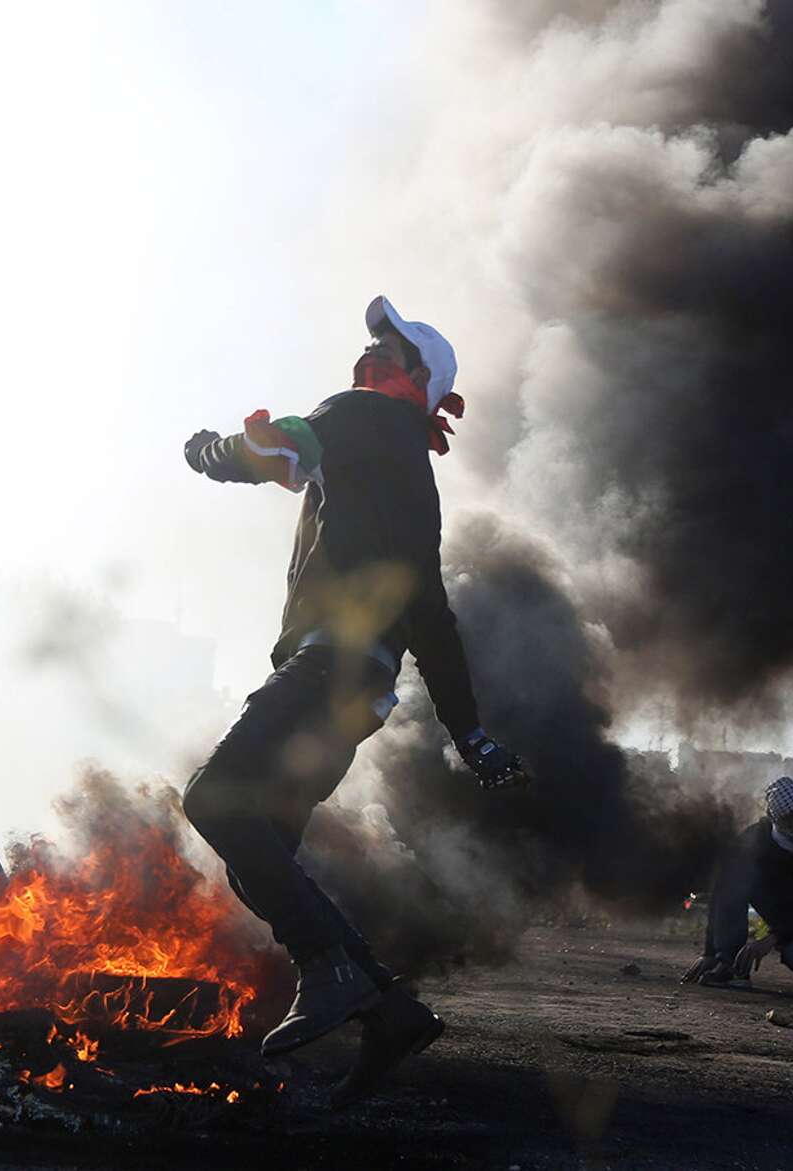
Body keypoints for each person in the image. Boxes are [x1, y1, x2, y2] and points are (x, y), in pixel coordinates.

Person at [179, 295, 529, 1105]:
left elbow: (286, 443)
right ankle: (390, 1011)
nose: (370, 354)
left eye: (391, 347)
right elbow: (434, 622)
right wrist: (472, 735)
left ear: (416, 380)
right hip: (365, 691)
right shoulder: (412, 477)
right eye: (372, 343)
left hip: (329, 664)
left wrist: (212, 453)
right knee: (258, 849)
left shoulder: (361, 413)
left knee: (213, 800)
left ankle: (329, 971)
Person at [682, 777, 793, 993]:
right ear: (782, 823)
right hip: (785, 912)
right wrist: (710, 952)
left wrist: (773, 938)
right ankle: (732, 965)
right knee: (737, 878)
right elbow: (724, 892)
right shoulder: (755, 841)